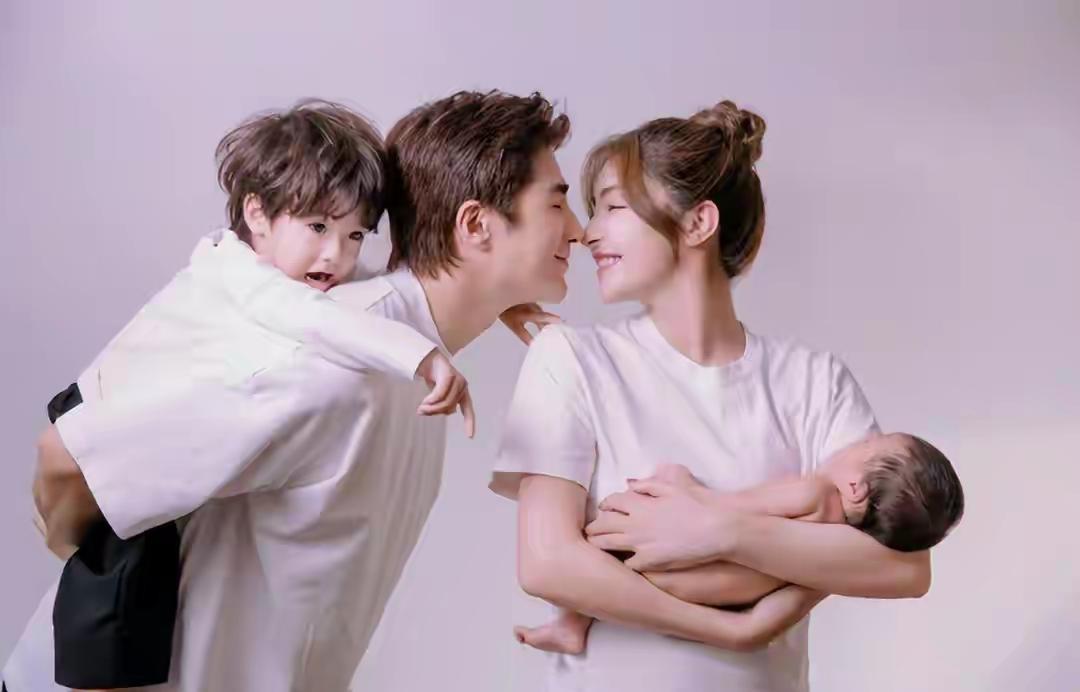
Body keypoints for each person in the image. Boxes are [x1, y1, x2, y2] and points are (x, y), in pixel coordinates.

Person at [5, 90, 581, 692]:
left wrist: (501, 299)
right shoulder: (325, 365)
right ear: (476, 224)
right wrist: (79, 552)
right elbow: (67, 455)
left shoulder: (400, 358)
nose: (580, 229)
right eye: (557, 203)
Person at [491, 100, 934, 692]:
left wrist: (717, 531)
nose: (588, 232)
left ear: (698, 223)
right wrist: (734, 628)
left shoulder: (813, 381)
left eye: (613, 207)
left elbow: (903, 564)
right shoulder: (570, 357)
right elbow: (547, 563)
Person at [515, 432, 964, 654]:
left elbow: (734, 510)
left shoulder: (812, 493)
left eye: (866, 445)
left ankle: (572, 621)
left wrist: (685, 489)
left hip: (689, 571)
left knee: (602, 543)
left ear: (856, 488)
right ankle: (573, 625)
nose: (853, 443)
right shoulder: (834, 556)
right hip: (729, 594)